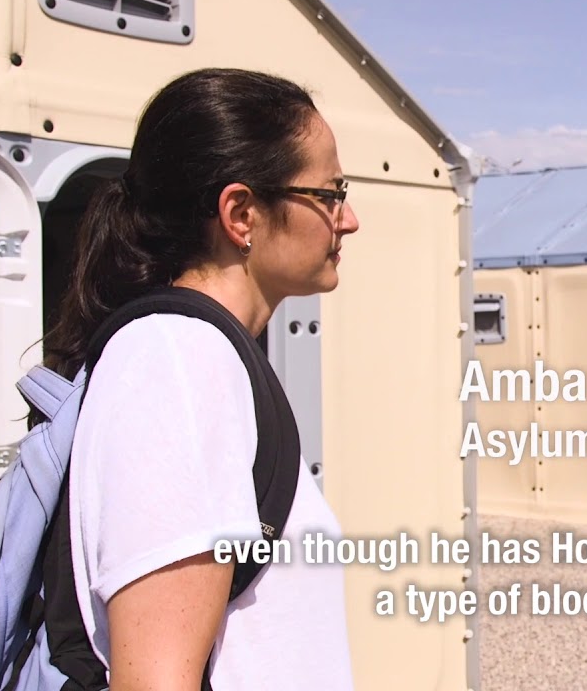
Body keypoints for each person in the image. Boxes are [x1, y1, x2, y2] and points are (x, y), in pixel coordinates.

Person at [36, 68, 360, 689]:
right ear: (241, 213)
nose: (348, 220)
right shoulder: (179, 361)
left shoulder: (200, 354)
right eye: (330, 193)